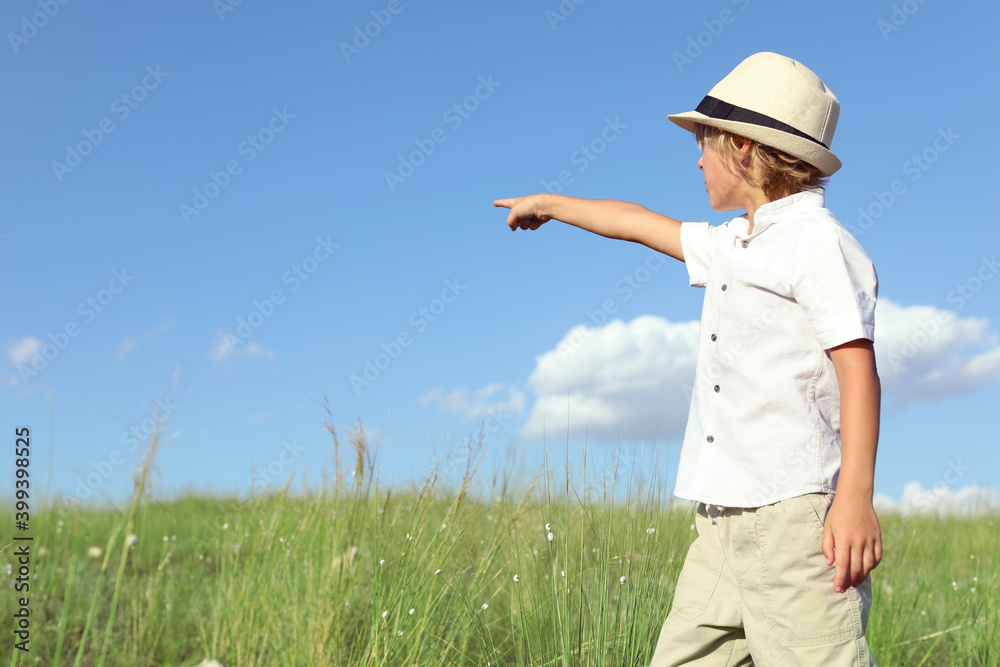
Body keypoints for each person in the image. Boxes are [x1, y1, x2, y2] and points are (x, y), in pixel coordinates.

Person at [493, 52, 881, 666]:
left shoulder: (816, 243)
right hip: (720, 520)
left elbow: (857, 369)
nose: (697, 159)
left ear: (744, 150)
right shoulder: (735, 244)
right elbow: (636, 222)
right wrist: (549, 202)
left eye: (704, 143)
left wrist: (854, 496)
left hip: (795, 522)